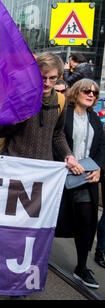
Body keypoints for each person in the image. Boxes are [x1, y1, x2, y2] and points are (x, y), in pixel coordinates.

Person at [55, 79, 105, 289]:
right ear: (77, 92)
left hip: (85, 179)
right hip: (61, 176)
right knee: (52, 219)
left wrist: (99, 168)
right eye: (87, 90)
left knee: (86, 221)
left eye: (94, 92)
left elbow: (102, 146)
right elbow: (55, 139)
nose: (91, 94)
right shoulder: (63, 114)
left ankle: (82, 267)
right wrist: (66, 160)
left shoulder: (95, 119)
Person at [0, 52, 77, 166]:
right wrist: (14, 121)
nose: (47, 83)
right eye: (42, 77)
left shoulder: (61, 100)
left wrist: (68, 155)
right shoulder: (18, 97)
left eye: (52, 78)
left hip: (42, 169)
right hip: (13, 165)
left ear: (58, 77)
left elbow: (57, 134)